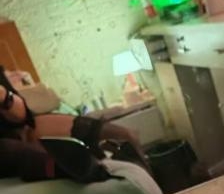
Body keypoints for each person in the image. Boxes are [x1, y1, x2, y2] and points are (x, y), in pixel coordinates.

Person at [0, 65, 149, 182]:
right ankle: (87, 169)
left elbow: (23, 117)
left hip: (21, 129)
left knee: (125, 134)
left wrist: (4, 96)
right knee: (32, 154)